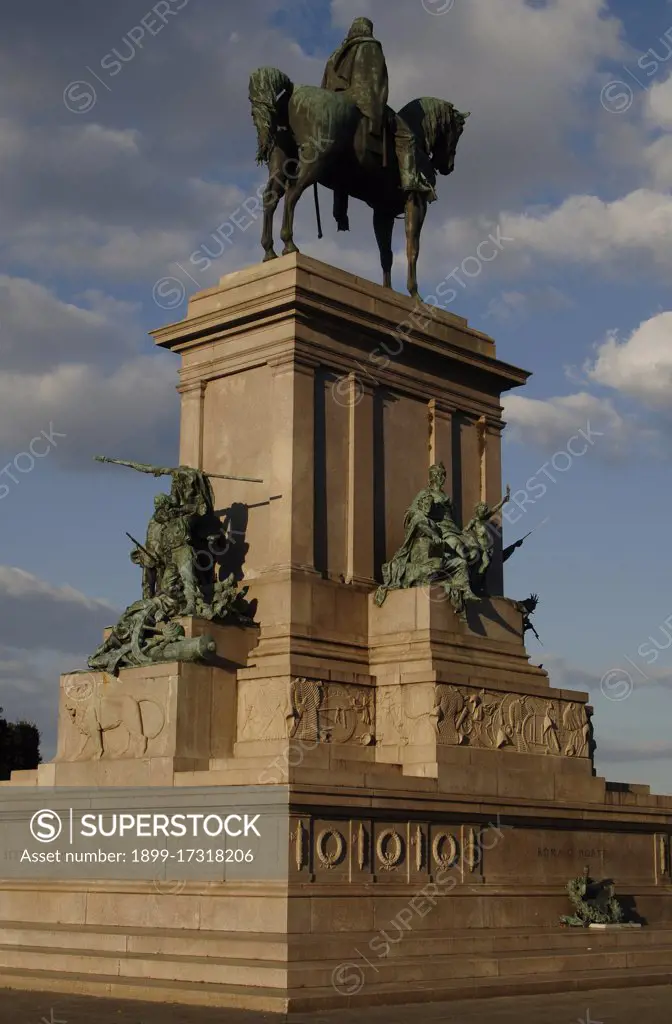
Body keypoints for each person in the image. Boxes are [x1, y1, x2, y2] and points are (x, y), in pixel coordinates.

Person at [321, 18, 435, 199]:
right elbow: (378, 83)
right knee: (407, 136)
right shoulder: (370, 46)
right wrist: (376, 109)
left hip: (335, 101)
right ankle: (409, 180)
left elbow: (324, 86)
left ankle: (340, 208)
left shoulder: (335, 55)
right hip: (362, 99)